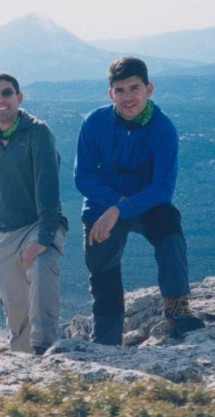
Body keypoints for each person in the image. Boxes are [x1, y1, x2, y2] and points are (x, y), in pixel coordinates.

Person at [75, 57, 206, 344]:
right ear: (111, 94)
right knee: (103, 273)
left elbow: (162, 190)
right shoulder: (95, 123)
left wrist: (120, 209)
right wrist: (114, 205)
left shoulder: (162, 129)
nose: (127, 97)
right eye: (120, 90)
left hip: (146, 207)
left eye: (134, 88)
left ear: (149, 89)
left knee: (168, 221)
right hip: (101, 208)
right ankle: (107, 343)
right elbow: (83, 177)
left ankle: (177, 307)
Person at [0, 72, 67, 355]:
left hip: (40, 220)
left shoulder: (38, 132)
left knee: (42, 264)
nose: (1, 99)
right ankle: (23, 360)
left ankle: (45, 349)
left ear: (19, 97)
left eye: (7, 93)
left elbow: (48, 187)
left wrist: (44, 237)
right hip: (3, 229)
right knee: (15, 305)